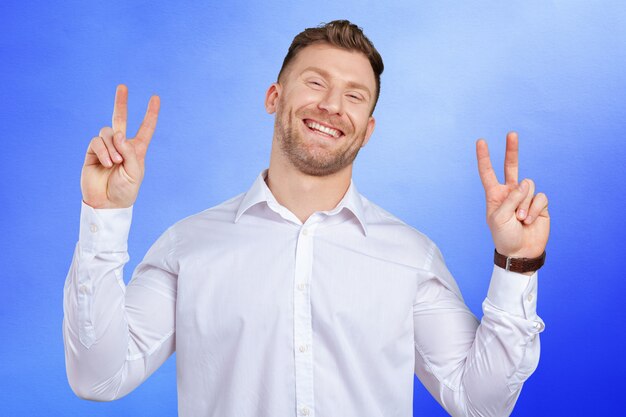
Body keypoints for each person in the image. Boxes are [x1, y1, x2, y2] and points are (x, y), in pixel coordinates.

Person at [63, 20, 550, 417]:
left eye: (355, 96)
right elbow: (98, 377)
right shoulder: (188, 246)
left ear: (369, 129)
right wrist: (104, 216)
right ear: (274, 97)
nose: (332, 105)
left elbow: (481, 403)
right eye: (316, 82)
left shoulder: (411, 257)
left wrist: (517, 264)